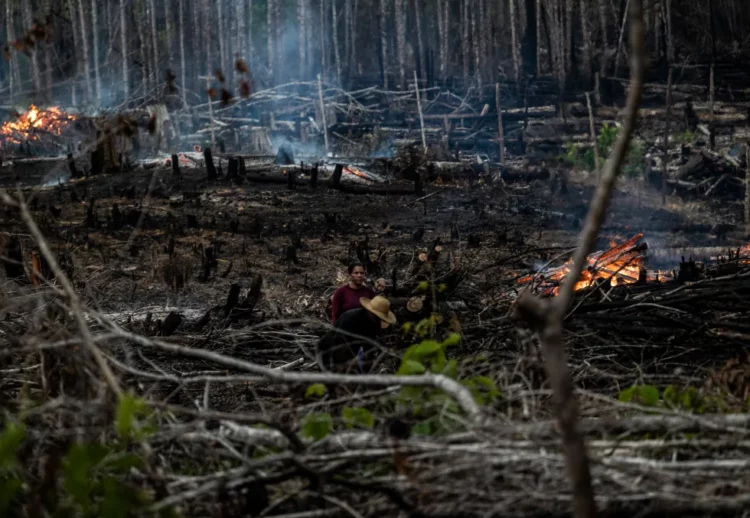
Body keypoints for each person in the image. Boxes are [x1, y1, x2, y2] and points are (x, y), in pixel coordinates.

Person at [317, 295, 397, 373]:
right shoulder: (351, 318)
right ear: (370, 312)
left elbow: (369, 345)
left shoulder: (375, 323)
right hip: (332, 347)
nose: (379, 319)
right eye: (377, 316)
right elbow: (340, 342)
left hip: (353, 347)